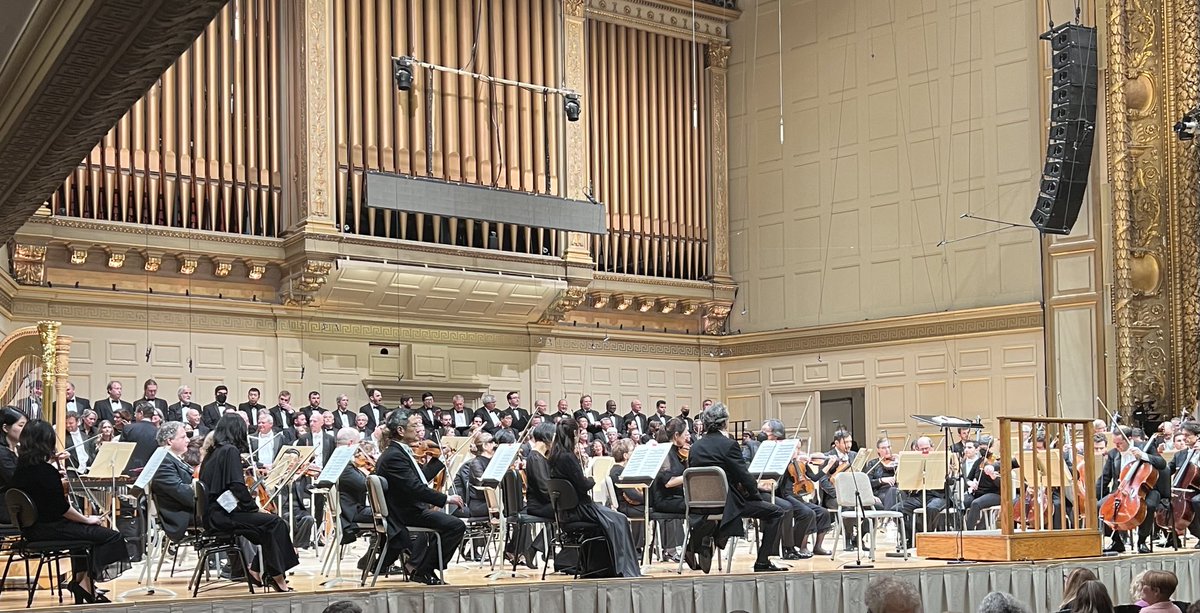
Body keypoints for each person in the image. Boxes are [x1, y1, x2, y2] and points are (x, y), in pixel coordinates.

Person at [9, 420, 129, 603]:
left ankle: (82, 584)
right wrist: (86, 519)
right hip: (51, 529)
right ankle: (85, 583)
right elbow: (62, 508)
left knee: (80, 543)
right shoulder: (46, 471)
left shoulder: (21, 470)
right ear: (46, 442)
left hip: (33, 529)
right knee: (111, 536)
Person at [197, 413, 298, 592]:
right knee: (276, 523)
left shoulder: (211, 453)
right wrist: (253, 509)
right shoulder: (230, 451)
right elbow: (236, 486)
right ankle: (276, 576)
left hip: (214, 515)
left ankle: (259, 571)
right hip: (223, 516)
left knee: (268, 528)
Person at [684, 403, 785, 573]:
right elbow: (744, 477)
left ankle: (706, 538)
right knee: (776, 512)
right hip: (727, 504)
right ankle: (762, 562)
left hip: (699, 505)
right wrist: (756, 495)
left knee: (737, 508)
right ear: (724, 423)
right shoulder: (729, 445)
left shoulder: (695, 448)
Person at [373, 409, 465, 585]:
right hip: (405, 513)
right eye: (414, 425)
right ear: (400, 431)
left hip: (406, 508)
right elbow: (415, 488)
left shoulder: (397, 452)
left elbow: (418, 478)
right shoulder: (394, 456)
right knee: (456, 526)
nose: (419, 429)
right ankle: (424, 570)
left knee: (447, 523)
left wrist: (440, 461)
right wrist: (446, 498)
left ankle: (421, 567)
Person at [546, 419, 641, 577]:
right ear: (575, 434)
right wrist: (592, 479)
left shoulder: (554, 456)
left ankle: (604, 567)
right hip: (581, 509)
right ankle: (624, 567)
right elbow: (583, 485)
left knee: (612, 519)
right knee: (620, 519)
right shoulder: (568, 457)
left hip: (565, 511)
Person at [1099, 426, 1167, 553]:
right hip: (1121, 491)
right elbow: (1106, 476)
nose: (1117, 446)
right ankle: (1117, 542)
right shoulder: (1114, 454)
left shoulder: (1145, 447)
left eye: (1119, 443)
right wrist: (1095, 497)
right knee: (1100, 507)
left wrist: (1143, 455)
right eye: (1115, 443)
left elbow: (1162, 464)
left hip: (1147, 489)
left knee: (1149, 506)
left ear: (1129, 439)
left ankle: (1141, 541)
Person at [149, 421, 195, 543]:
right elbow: (180, 491)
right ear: (170, 441)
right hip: (180, 516)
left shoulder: (171, 458)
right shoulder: (163, 461)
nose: (188, 440)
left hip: (187, 509)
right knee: (234, 518)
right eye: (183, 437)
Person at [0, 407, 27, 522]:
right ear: (5, 428)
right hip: (6, 507)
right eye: (21, 426)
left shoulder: (19, 449)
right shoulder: (1, 453)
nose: (26, 430)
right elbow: (17, 479)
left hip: (17, 505)